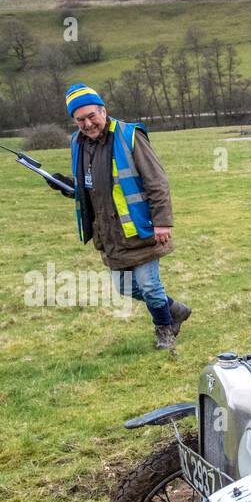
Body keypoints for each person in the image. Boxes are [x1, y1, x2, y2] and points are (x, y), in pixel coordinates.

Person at [47, 83, 191, 350]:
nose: (88, 123)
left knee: (149, 285)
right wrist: (68, 186)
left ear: (103, 110)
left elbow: (157, 181)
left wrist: (162, 222)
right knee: (125, 288)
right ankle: (175, 310)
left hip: (140, 228)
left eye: (92, 115)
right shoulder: (77, 143)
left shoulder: (129, 135)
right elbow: (91, 186)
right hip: (109, 232)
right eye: (80, 119)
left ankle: (165, 330)